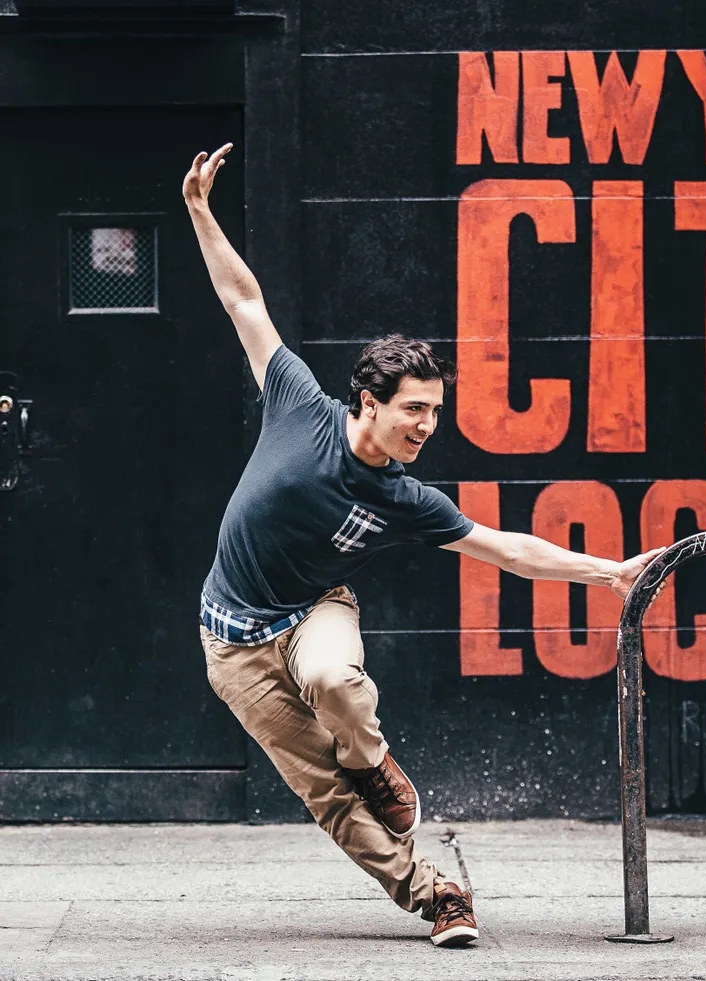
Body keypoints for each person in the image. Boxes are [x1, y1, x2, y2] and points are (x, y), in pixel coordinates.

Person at [183, 144, 665, 948]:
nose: (426, 426)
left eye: (435, 411)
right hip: (231, 642)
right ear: (367, 403)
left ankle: (374, 760)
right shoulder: (299, 403)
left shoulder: (408, 498)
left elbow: (505, 549)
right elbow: (244, 300)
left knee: (337, 676)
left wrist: (607, 571)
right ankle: (435, 892)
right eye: (413, 409)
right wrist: (201, 211)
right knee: (328, 800)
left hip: (312, 611)